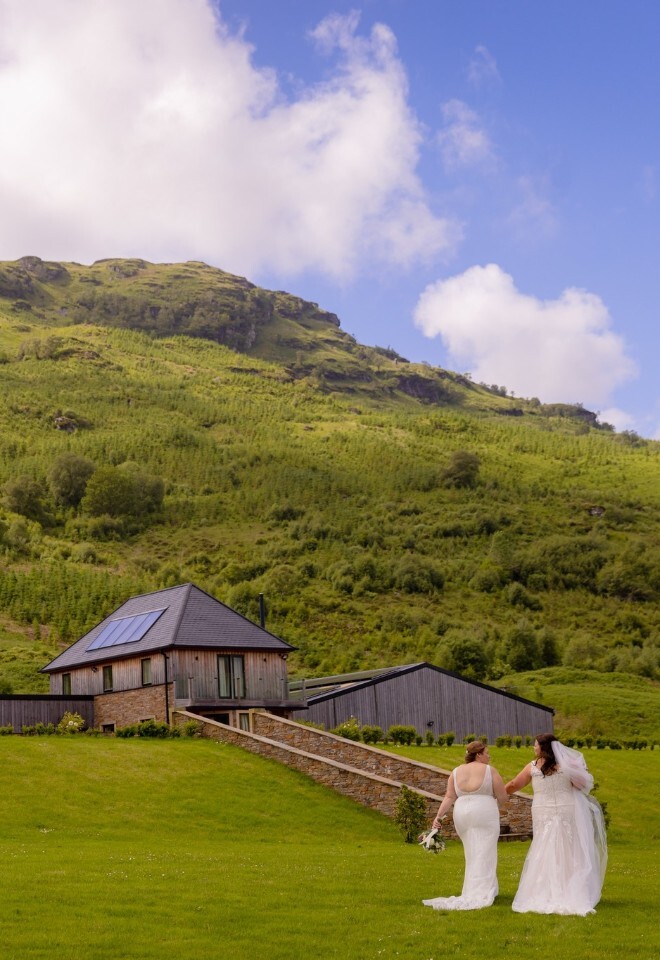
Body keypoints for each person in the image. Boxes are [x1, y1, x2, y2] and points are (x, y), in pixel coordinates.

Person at [505, 733, 607, 915]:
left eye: (536, 745)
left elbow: (514, 784)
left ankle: (543, 889)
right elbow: (583, 784)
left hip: (543, 810)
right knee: (568, 848)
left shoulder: (532, 767)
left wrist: (499, 792)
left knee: (543, 847)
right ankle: (570, 889)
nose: (534, 748)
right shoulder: (565, 766)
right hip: (565, 809)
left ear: (544, 747)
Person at [422, 740, 508, 911]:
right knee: (486, 851)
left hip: (461, 813)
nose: (489, 756)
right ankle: (483, 891)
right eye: (487, 753)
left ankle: (476, 889)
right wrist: (493, 804)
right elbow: (503, 796)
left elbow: (449, 796)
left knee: (472, 852)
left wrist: (438, 817)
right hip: (484, 812)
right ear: (478, 754)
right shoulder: (489, 771)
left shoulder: (455, 772)